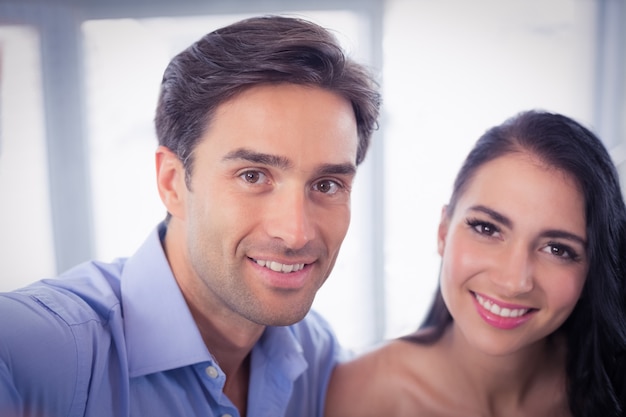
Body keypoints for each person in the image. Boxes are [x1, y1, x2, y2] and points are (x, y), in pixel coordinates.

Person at [0, 15, 381, 417]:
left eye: (326, 185)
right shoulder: (44, 351)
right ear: (172, 183)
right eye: (253, 176)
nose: (296, 234)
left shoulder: (314, 349)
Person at [325, 110, 626, 417]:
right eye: (487, 228)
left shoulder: (615, 387)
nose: (513, 281)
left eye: (557, 249)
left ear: (592, 268)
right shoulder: (359, 394)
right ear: (443, 231)